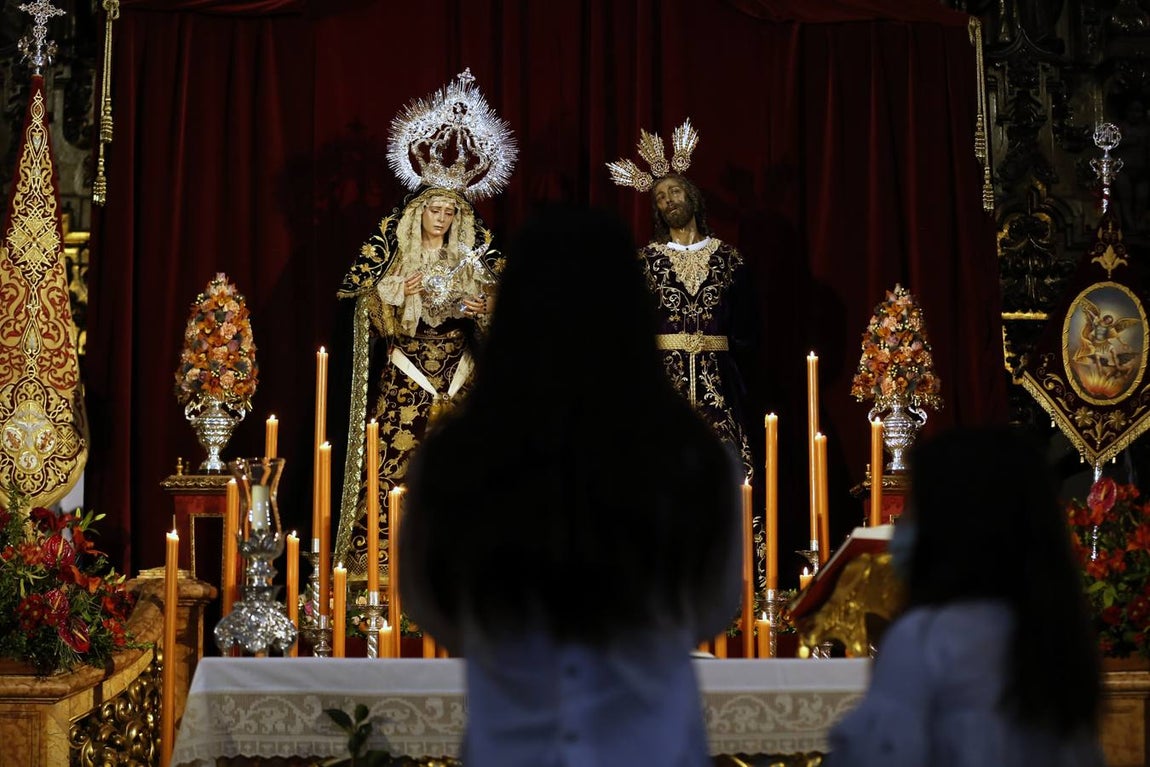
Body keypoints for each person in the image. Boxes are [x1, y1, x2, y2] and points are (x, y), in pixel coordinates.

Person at [400, 205, 743, 767]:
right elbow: (711, 607)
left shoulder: (456, 456)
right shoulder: (691, 455)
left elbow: (433, 606)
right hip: (651, 745)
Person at [826, 425, 1104, 767]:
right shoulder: (1054, 635)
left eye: (914, 508)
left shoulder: (927, 637)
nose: (899, 527)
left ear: (951, 523)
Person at [335, 69, 516, 579]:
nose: (442, 218)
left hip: (461, 370)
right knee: (399, 469)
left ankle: (473, 571)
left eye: (450, 212)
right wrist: (398, 293)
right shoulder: (394, 260)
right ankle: (387, 572)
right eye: (434, 209)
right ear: (418, 213)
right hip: (408, 372)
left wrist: (486, 310)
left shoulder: (474, 258)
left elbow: (507, 305)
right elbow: (361, 303)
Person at [607, 120, 756, 481]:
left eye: (673, 191)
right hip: (663, 380)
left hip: (718, 380)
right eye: (659, 197)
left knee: (726, 465)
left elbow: (748, 329)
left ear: (691, 195)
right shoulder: (644, 262)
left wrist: (734, 372)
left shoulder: (729, 259)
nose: (667, 200)